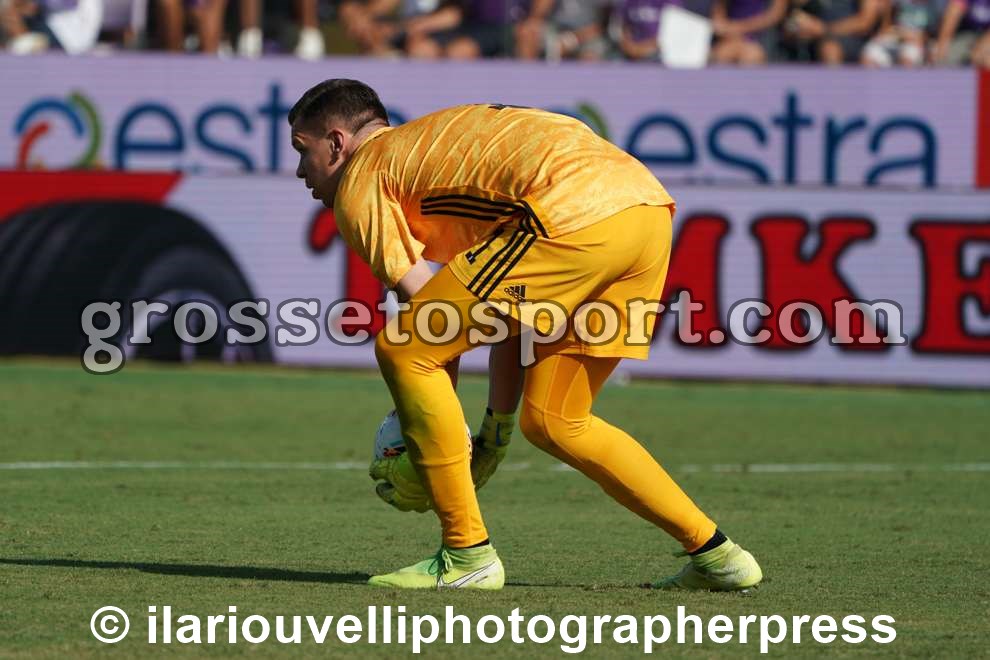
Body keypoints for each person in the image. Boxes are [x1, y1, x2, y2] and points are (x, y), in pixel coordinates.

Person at [288, 79, 763, 591]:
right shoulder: (428, 154)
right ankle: (718, 555)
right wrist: (493, 436)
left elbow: (427, 326)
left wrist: (427, 452)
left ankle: (467, 554)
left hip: (572, 212)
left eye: (301, 150)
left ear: (336, 143)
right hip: (645, 212)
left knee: (403, 348)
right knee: (557, 421)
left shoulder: (364, 176)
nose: (299, 171)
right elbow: (507, 314)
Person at [782, 0, 881, 64]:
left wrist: (824, 29)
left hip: (851, 40)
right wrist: (796, 25)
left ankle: (834, 89)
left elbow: (865, 22)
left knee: (829, 48)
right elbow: (795, 16)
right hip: (811, 38)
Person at [861, 0, 940, 67]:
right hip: (896, 38)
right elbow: (887, 27)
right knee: (871, 50)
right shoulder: (899, 4)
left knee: (908, 55)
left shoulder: (931, 7)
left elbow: (929, 35)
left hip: (915, 43)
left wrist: (911, 36)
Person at [710, 0, 788, 64]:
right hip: (730, 38)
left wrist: (740, 28)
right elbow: (718, 13)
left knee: (752, 55)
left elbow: (775, 14)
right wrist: (724, 27)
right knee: (723, 54)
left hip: (762, 38)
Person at [931, 0, 990, 66]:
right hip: (967, 34)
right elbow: (952, 16)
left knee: (986, 58)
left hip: (985, 37)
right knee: (945, 56)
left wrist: (981, 46)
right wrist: (942, 46)